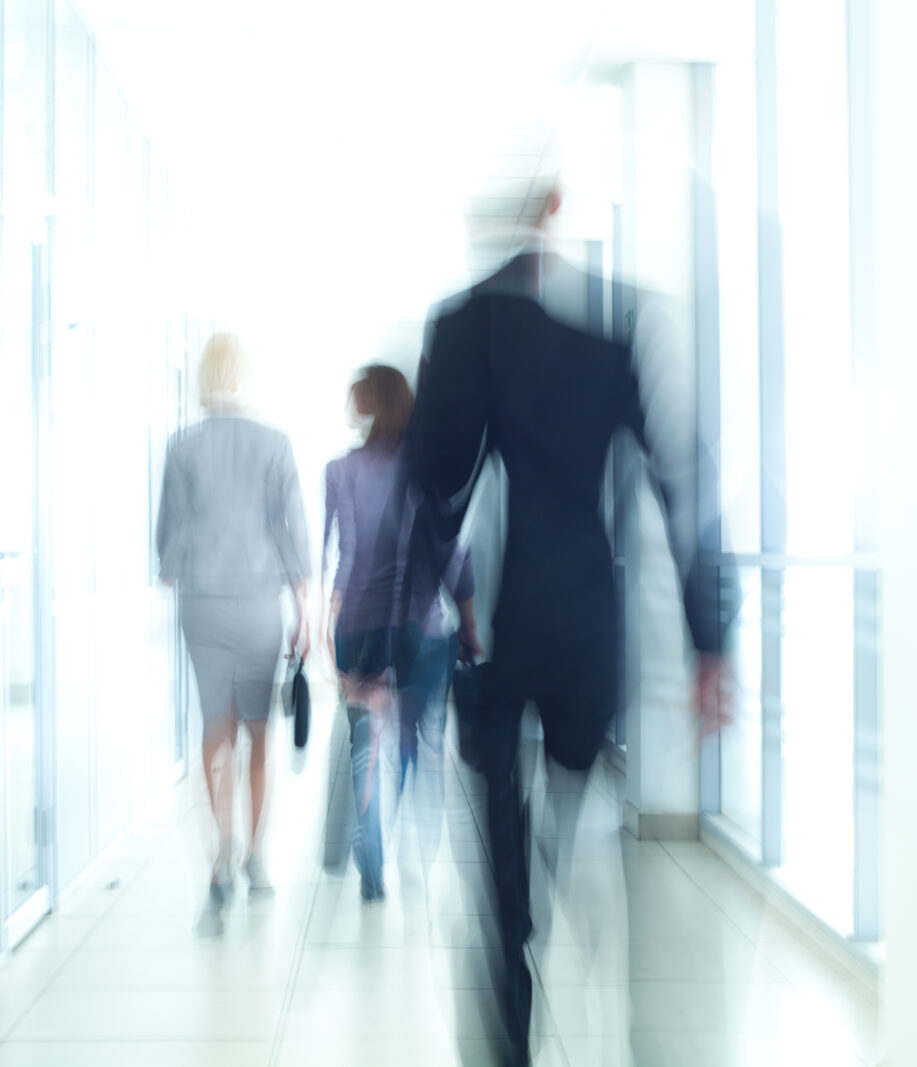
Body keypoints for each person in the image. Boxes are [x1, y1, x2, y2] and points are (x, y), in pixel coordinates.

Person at [399, 184, 738, 1064]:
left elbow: (434, 486)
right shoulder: (618, 329)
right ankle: (585, 982)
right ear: (554, 218)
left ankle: (513, 1000)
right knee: (572, 807)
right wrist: (713, 638)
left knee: (502, 854)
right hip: (586, 612)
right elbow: (684, 485)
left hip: (493, 624)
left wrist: (432, 604)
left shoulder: (464, 326)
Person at [156, 332, 312, 936]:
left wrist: (172, 569)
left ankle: (220, 853)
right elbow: (293, 529)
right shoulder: (274, 445)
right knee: (258, 733)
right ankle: (257, 857)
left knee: (213, 732)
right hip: (258, 606)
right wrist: (305, 609)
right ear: (246, 377)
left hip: (202, 603)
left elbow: (169, 537)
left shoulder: (181, 447)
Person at [322, 364, 479, 901]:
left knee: (364, 740)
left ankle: (372, 866)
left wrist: (328, 616)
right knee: (418, 740)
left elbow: (343, 558)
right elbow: (452, 555)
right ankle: (419, 839)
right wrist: (472, 625)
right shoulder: (425, 472)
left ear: (369, 404)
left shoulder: (339, 472)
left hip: (360, 626)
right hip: (420, 628)